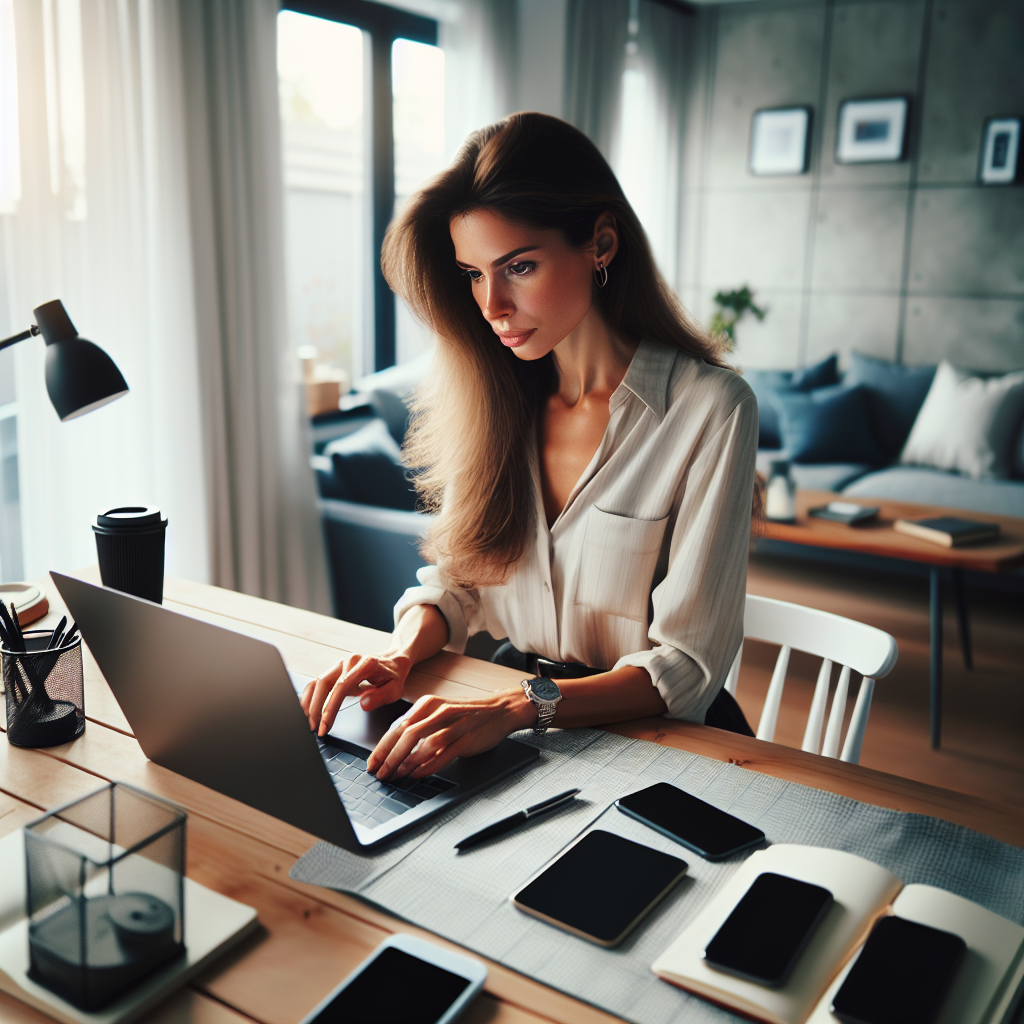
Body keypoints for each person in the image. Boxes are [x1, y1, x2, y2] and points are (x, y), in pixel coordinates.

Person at [301, 112, 758, 784]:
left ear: (601, 243)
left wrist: (521, 706)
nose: (493, 306)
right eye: (474, 275)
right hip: (517, 726)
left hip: (658, 745)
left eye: (518, 266)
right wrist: (399, 655)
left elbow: (685, 670)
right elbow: (456, 590)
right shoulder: (497, 405)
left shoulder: (711, 410)